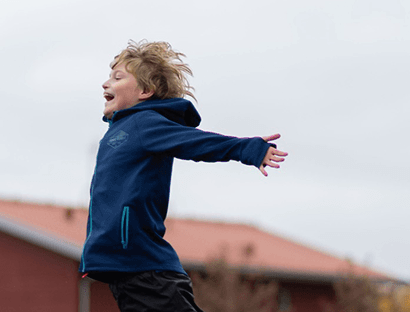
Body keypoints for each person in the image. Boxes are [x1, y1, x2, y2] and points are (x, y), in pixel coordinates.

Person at [81, 40, 287, 312]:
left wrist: (246, 148)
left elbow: (193, 142)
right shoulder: (117, 132)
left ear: (145, 90)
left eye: (118, 77)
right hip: (127, 271)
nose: (106, 84)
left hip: (146, 270)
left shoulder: (144, 124)